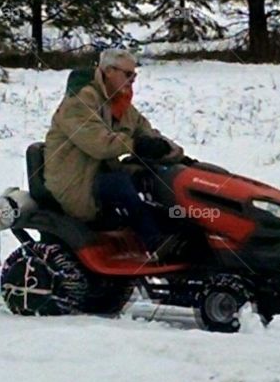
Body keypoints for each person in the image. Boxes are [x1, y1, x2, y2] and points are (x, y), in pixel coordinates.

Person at [44, 48, 184, 259]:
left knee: (153, 176)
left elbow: (147, 132)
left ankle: (179, 232)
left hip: (99, 172)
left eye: (134, 75)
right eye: (128, 75)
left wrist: (174, 155)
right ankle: (155, 242)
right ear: (109, 71)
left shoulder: (119, 103)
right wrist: (137, 146)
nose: (132, 81)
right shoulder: (79, 102)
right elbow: (99, 144)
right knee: (120, 183)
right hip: (75, 181)